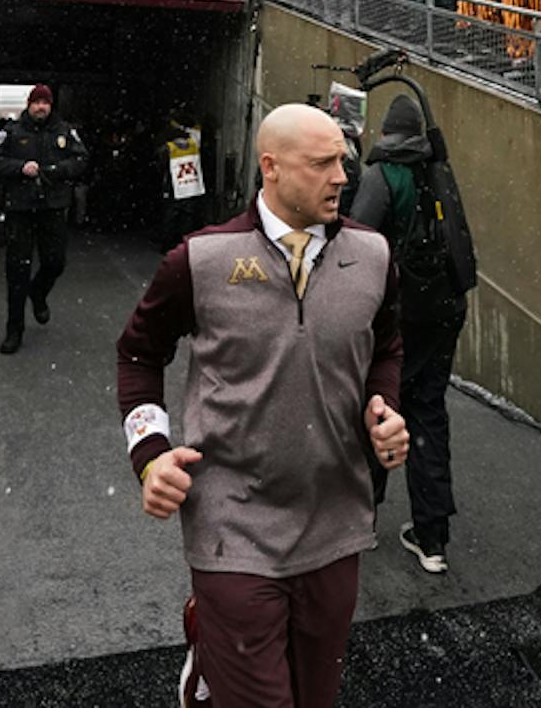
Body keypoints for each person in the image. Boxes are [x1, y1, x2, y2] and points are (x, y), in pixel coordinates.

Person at [117, 103, 407, 708]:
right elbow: (139, 356)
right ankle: (214, 665)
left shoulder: (374, 255)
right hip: (233, 526)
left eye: (344, 162)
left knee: (315, 697)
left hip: (336, 523)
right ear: (271, 168)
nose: (342, 178)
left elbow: (388, 346)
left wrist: (384, 405)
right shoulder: (199, 260)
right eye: (323, 163)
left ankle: (211, 661)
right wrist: (150, 453)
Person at [350, 94, 473, 576]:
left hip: (398, 316)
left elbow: (357, 239)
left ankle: (363, 518)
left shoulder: (383, 176)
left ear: (385, 133)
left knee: (380, 408)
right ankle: (432, 536)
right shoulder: (439, 172)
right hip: (444, 310)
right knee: (428, 415)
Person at [0, 84, 89, 354]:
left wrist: (56, 171)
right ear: (29, 105)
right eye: (36, 102)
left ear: (51, 105)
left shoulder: (64, 131)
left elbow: (82, 159)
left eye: (45, 102)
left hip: (53, 208)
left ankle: (39, 292)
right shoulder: (12, 131)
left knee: (55, 262)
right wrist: (20, 168)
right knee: (17, 272)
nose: (41, 107)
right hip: (19, 209)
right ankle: (14, 330)